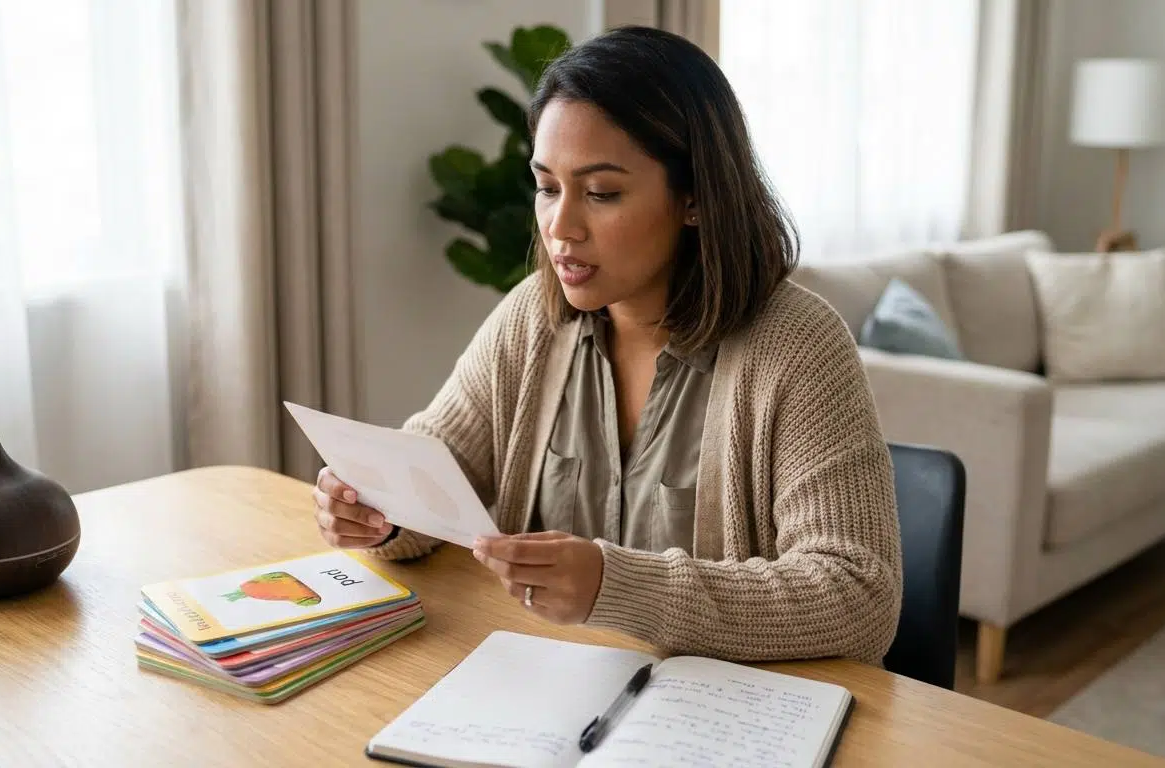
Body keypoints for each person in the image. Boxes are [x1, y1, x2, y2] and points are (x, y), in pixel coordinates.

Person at [312, 26, 901, 665]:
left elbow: (857, 597)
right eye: (547, 187)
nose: (561, 228)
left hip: (719, 719)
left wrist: (617, 587)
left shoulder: (799, 346)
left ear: (696, 198)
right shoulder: (531, 320)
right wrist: (379, 512)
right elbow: (435, 467)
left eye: (601, 193)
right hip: (542, 691)